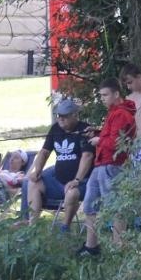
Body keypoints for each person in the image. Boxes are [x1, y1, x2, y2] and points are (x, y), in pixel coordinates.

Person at [78, 79, 136, 258]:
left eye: (105, 95)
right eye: (101, 95)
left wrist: (98, 140)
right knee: (89, 205)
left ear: (116, 94)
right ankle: (91, 246)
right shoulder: (114, 113)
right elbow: (111, 135)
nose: (102, 98)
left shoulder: (121, 114)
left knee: (116, 207)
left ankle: (119, 246)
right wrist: (96, 133)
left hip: (113, 166)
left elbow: (116, 143)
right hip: (101, 165)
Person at [28, 96, 94, 229]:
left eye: (64, 116)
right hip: (58, 181)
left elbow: (87, 156)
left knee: (72, 193)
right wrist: (37, 171)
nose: (60, 119)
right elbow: (44, 152)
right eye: (58, 116)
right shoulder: (55, 129)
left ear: (75, 115)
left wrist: (77, 180)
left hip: (82, 182)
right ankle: (32, 226)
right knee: (33, 183)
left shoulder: (86, 130)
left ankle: (65, 227)